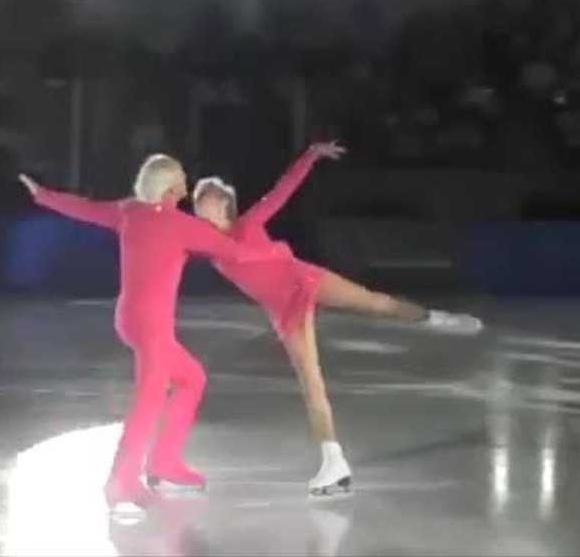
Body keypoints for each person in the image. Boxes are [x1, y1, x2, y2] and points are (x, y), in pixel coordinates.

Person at [191, 141, 482, 496]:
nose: (195, 206)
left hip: (303, 278)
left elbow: (283, 189)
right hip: (285, 310)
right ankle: (334, 462)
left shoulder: (249, 222)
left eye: (201, 198)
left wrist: (311, 155)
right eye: (194, 201)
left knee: (375, 302)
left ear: (222, 202)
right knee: (311, 383)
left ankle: (436, 319)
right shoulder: (203, 243)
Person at [19, 154, 276, 514]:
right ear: (171, 188)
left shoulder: (128, 211)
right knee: (148, 403)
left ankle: (163, 462)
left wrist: (44, 196)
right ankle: (120, 482)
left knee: (191, 379)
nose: (187, 186)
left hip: (129, 319)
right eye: (182, 181)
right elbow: (239, 252)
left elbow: (85, 208)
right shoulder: (183, 225)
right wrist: (271, 248)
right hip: (152, 326)